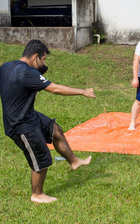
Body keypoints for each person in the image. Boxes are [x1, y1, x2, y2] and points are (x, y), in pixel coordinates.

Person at [0, 40, 96, 203]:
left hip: (29, 115)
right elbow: (54, 88)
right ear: (35, 56)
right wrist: (83, 91)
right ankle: (37, 194)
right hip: (20, 124)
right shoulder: (28, 73)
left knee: (55, 129)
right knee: (41, 157)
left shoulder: (7, 66)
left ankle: (74, 161)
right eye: (43, 59)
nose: (44, 64)